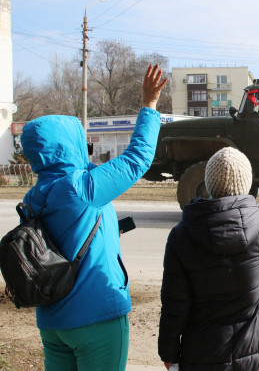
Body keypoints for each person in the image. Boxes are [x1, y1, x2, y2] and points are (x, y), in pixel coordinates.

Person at [20, 64, 167, 371]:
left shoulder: (33, 196)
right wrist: (150, 105)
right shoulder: (79, 188)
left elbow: (58, 243)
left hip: (52, 321)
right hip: (95, 317)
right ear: (68, 144)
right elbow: (137, 159)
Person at [158, 123, 259, 370]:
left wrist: (168, 352)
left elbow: (174, 304)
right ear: (247, 183)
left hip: (204, 356)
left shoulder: (181, 237)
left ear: (209, 184)